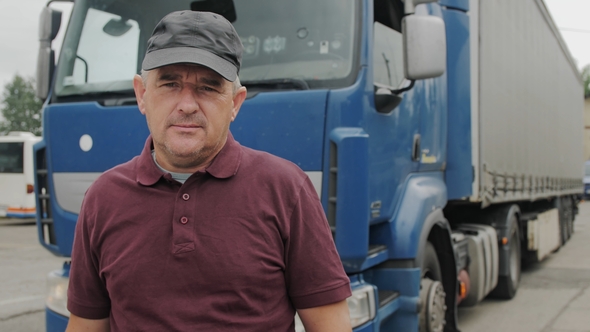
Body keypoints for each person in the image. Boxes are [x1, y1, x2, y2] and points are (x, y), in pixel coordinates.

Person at [65, 10, 352, 332]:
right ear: (142, 94)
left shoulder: (286, 188)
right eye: (170, 83)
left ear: (235, 102)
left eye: (208, 87)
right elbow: (86, 325)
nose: (187, 105)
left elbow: (331, 325)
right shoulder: (103, 198)